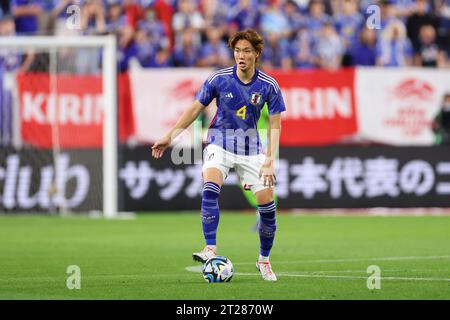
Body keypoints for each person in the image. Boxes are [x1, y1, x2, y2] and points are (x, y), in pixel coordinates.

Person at [151, 29, 286, 281]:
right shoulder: (219, 79)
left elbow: (276, 125)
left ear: (257, 54)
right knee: (210, 186)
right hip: (219, 143)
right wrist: (170, 136)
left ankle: (264, 260)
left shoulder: (269, 85)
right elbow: (195, 108)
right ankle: (210, 248)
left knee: (267, 207)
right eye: (237, 51)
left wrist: (269, 160)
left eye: (246, 51)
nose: (241, 55)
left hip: (251, 149)